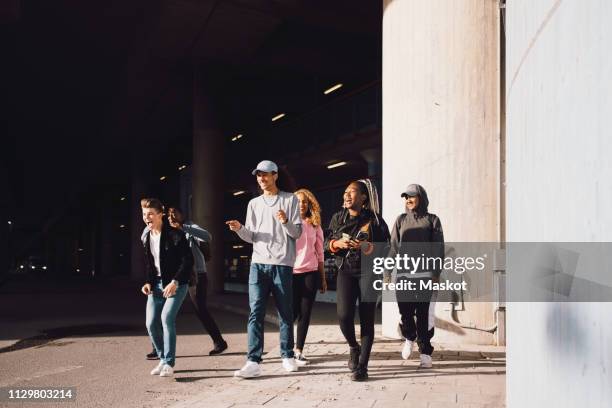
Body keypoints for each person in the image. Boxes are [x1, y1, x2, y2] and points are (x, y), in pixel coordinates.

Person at [226, 160, 302, 378]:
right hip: (258, 265)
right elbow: (251, 237)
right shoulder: (254, 204)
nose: (262, 179)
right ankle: (253, 361)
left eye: (266, 175)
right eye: (259, 175)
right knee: (255, 312)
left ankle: (287, 355)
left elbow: (296, 233)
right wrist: (240, 229)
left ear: (275, 175)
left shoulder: (290, 199)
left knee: (285, 313)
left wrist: (285, 221)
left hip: (282, 265)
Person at [325, 179, 390, 381]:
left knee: (367, 318)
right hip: (346, 271)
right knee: (344, 316)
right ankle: (354, 346)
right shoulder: (338, 218)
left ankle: (362, 366)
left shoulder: (376, 221)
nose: (346, 195)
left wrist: (368, 248)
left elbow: (386, 248)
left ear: (363, 197)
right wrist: (338, 243)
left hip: (369, 273)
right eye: (345, 191)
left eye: (351, 192)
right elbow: (327, 243)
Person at [143, 206, 228, 359]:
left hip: (196, 274)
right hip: (175, 276)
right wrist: (151, 224)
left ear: (182, 214)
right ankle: (157, 348)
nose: (171, 216)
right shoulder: (165, 232)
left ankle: (219, 342)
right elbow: (145, 238)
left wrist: (183, 227)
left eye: (174, 212)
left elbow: (207, 236)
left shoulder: (189, 226)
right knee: (159, 313)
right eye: (168, 214)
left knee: (200, 309)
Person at [387, 184, 444, 369]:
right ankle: (409, 337)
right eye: (406, 197)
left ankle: (425, 351)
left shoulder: (432, 220)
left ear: (421, 197)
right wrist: (387, 273)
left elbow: (438, 248)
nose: (408, 200)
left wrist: (436, 273)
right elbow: (393, 248)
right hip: (403, 275)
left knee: (423, 315)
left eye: (412, 196)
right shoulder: (400, 220)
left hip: (425, 276)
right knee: (405, 312)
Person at [141, 198, 193, 377]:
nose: (147, 218)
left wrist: (175, 282)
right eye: (144, 214)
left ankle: (169, 363)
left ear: (160, 215)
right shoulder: (147, 236)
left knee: (166, 318)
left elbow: (188, 261)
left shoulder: (175, 234)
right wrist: (148, 282)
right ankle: (162, 359)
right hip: (156, 284)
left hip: (177, 284)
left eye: (150, 214)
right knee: (150, 323)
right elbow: (150, 264)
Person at [292, 188, 327, 365]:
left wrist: (323, 277)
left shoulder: (315, 225)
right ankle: (287, 348)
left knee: (305, 314)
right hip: (290, 273)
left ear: (309, 204)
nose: (301, 204)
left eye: (305, 201)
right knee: (290, 313)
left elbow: (320, 253)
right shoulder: (288, 223)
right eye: (298, 201)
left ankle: (298, 350)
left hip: (310, 273)